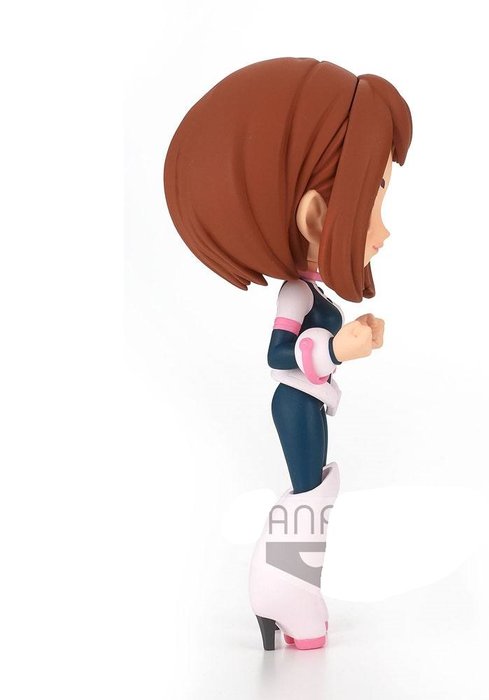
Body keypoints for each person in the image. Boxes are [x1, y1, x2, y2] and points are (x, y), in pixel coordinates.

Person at [164, 56, 412, 650]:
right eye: (373, 200)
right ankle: (284, 589)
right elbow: (279, 354)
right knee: (308, 493)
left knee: (311, 490)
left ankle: (286, 589)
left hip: (306, 403)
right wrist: (338, 349)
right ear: (316, 215)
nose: (383, 231)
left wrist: (344, 344)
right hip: (295, 403)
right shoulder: (297, 294)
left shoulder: (312, 291)